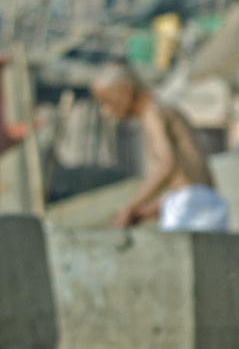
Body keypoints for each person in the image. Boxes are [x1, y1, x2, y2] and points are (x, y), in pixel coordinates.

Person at [90, 61, 228, 232]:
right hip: (209, 205)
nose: (105, 111)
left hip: (189, 207)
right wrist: (153, 209)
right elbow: (188, 178)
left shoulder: (152, 115)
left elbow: (167, 166)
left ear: (124, 92)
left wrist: (129, 207)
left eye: (106, 102)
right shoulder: (167, 110)